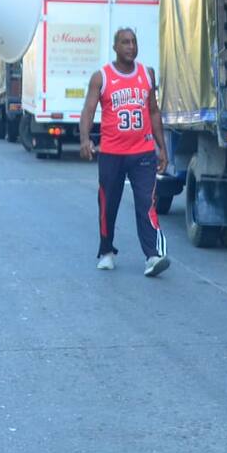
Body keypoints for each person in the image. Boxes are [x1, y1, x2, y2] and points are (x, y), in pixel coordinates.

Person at [79, 27, 170, 277]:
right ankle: (106, 251)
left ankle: (153, 255)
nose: (130, 46)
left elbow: (153, 111)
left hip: (142, 152)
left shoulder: (147, 74)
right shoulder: (102, 77)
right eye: (125, 42)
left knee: (146, 203)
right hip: (111, 153)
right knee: (108, 205)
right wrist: (85, 138)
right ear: (115, 47)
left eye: (134, 42)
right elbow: (88, 110)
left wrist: (161, 146)